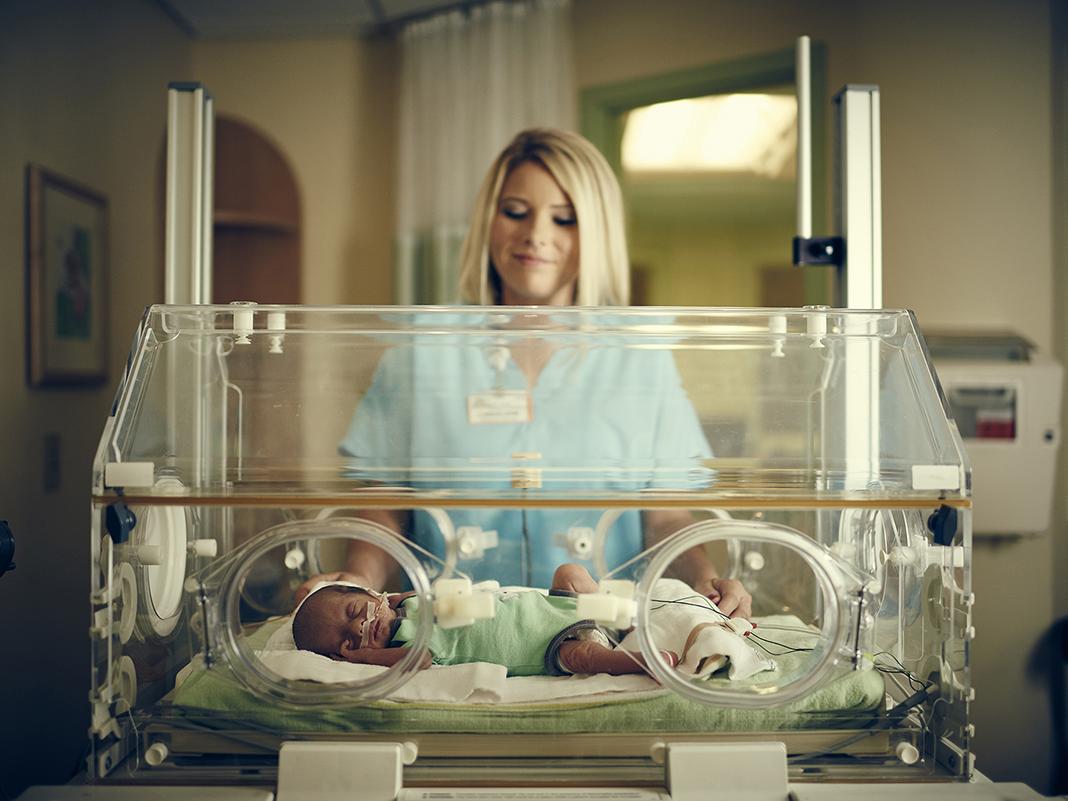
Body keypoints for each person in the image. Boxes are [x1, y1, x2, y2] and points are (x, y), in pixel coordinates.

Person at [297, 128, 751, 619]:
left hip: (598, 625)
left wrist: (704, 579)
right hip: (450, 627)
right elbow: (385, 499)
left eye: (564, 219)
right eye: (515, 211)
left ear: (595, 232)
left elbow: (665, 517)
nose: (536, 234)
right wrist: (360, 578)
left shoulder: (638, 353)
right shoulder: (424, 346)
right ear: (487, 219)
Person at [293, 563, 676, 676]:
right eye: (348, 641)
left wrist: (387, 599)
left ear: (375, 597)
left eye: (355, 613)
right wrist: (361, 659)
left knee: (569, 572)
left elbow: (401, 597)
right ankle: (639, 662)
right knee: (583, 659)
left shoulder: (408, 605)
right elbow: (420, 662)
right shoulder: (405, 647)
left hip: (557, 608)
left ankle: (624, 620)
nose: (360, 628)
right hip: (550, 644)